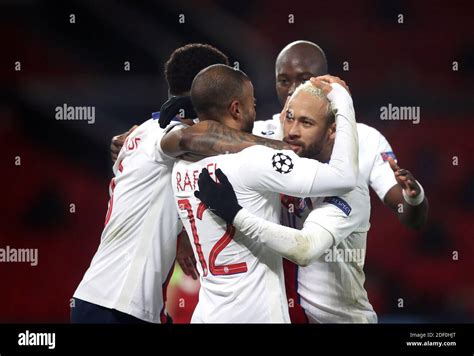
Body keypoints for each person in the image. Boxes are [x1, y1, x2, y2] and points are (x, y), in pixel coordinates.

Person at [172, 64, 358, 322]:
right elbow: (345, 176)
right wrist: (343, 101)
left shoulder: (179, 167)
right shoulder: (256, 161)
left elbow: (179, 140)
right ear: (237, 108)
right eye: (253, 104)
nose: (255, 111)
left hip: (208, 312)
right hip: (255, 314)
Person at [71, 44, 230, 323]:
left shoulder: (144, 134)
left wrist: (178, 237)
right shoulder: (171, 136)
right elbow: (211, 143)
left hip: (103, 298)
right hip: (120, 305)